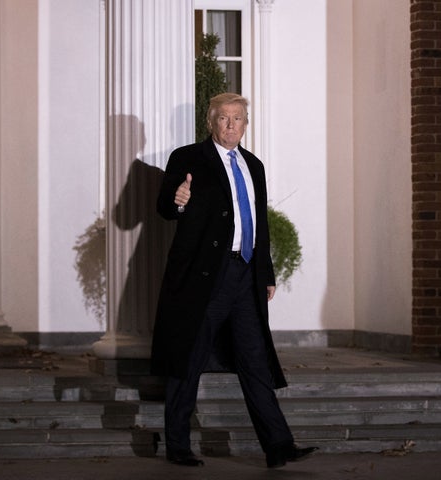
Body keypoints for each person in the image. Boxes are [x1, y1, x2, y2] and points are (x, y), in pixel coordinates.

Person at [150, 93, 317, 469]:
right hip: (206, 276)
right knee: (189, 357)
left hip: (245, 275)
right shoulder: (188, 158)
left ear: (245, 124)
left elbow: (259, 224)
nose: (230, 125)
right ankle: (177, 445)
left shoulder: (253, 165)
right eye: (223, 118)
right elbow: (165, 207)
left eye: (237, 119)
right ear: (211, 122)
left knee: (255, 360)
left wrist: (266, 273)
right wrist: (178, 200)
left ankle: (278, 445)